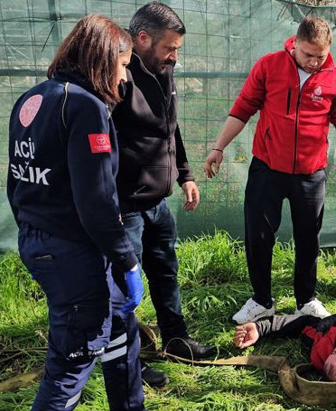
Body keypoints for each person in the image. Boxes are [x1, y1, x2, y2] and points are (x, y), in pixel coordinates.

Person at [1, 15, 169, 411]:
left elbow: (19, 183)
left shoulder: (33, 99)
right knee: (72, 362)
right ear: (100, 58)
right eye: (121, 66)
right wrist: (126, 259)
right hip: (76, 251)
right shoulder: (88, 108)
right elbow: (96, 202)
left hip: (41, 239)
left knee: (120, 325)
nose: (124, 78)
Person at [203, 16, 336, 325]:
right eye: (308, 54)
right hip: (267, 168)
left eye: (320, 56)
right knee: (259, 235)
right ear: (295, 44)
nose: (314, 61)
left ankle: (306, 301)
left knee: (309, 238)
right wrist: (218, 147)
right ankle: (261, 301)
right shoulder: (269, 66)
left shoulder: (334, 79)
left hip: (311, 174)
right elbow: (242, 108)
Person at [112, 2, 217, 388]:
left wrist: (185, 174)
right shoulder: (117, 76)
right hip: (127, 206)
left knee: (165, 273)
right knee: (127, 290)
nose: (175, 56)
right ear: (143, 39)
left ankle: (175, 339)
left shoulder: (164, 71)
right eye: (169, 48)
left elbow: (170, 128)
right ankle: (129, 362)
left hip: (158, 202)